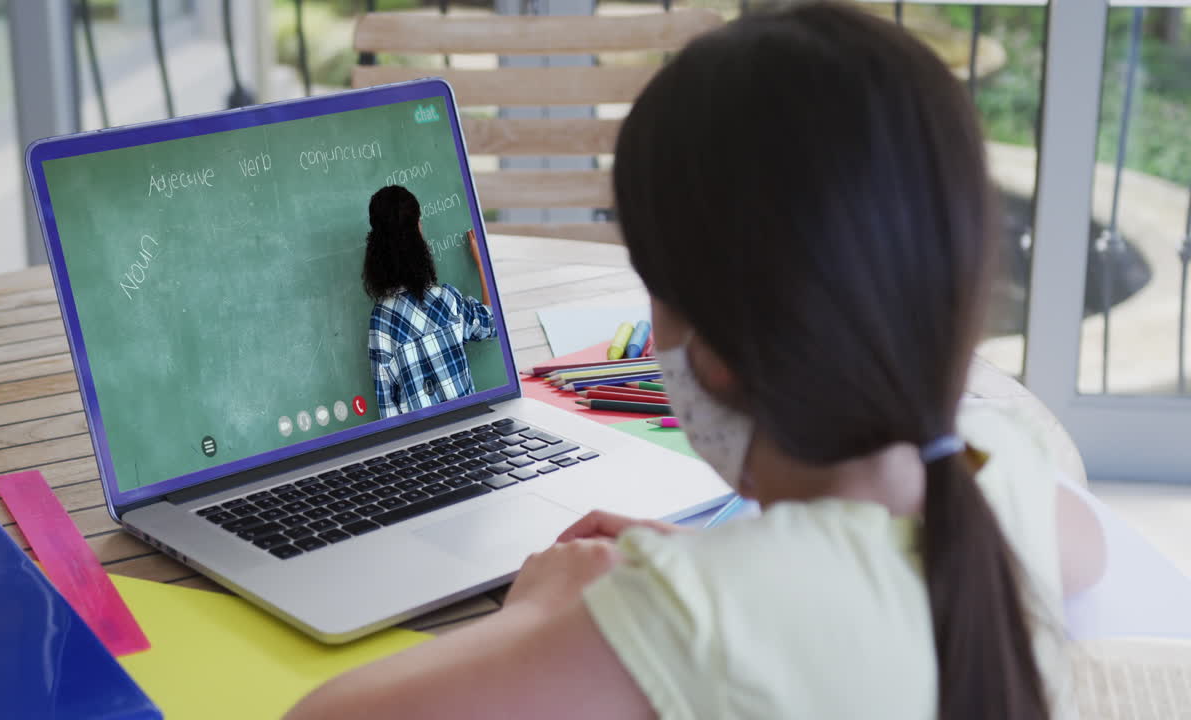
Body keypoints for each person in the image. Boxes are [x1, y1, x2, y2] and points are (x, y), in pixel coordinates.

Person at [290, 4, 1105, 718]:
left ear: (710, 357)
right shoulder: (1008, 476)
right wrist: (718, 563)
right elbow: (1078, 551)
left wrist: (538, 619)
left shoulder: (689, 620)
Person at [363, 185, 496, 418]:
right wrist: (482, 264)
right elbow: (492, 321)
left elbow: (388, 411)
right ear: (417, 233)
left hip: (421, 446)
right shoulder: (446, 301)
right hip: (470, 431)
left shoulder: (381, 322)